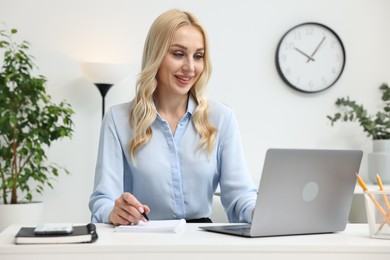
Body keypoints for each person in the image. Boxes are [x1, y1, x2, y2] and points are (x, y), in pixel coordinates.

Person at [89, 9, 257, 226]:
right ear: (156, 55)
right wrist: (114, 212)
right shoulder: (118, 120)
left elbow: (240, 196)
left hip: (200, 240)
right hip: (141, 237)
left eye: (198, 56)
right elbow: (103, 200)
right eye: (178, 54)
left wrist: (259, 212)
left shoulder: (221, 118)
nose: (190, 67)